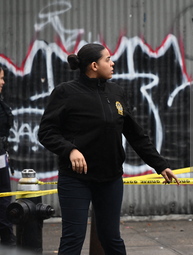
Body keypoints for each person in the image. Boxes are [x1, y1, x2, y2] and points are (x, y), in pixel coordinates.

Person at [38, 43, 180, 255]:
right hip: (76, 179)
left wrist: (160, 165)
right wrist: (70, 150)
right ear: (94, 65)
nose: (112, 63)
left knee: (111, 238)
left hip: (110, 179)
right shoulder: (65, 92)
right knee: (72, 239)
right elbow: (46, 132)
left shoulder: (116, 93)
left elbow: (135, 134)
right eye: (108, 59)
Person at [0, 66, 15, 247]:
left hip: (1, 157)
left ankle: (7, 239)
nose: (3, 82)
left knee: (4, 199)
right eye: (0, 78)